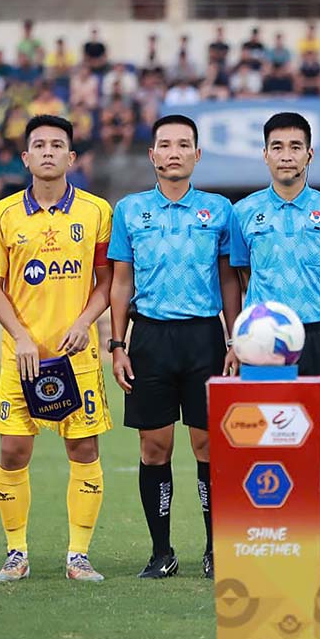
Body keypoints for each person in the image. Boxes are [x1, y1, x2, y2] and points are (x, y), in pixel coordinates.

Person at [0, 115, 113, 583]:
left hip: (77, 355)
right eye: (40, 145)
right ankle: (16, 553)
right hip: (22, 356)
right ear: (26, 157)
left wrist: (85, 322)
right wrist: (20, 335)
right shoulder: (3, 214)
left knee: (84, 448)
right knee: (13, 451)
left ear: (71, 158)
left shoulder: (96, 212)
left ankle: (79, 556)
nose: (49, 151)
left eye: (58, 145)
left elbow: (107, 281)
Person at [108, 115, 241, 580]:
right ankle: (161, 551)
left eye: (184, 145)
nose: (174, 152)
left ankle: (215, 548)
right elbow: (120, 282)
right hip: (150, 338)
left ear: (197, 155)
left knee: (209, 445)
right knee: (154, 447)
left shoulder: (219, 210)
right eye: (165, 145)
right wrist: (117, 344)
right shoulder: (129, 210)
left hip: (204, 338)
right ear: (152, 155)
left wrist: (233, 338)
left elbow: (229, 279)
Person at [229, 112, 320, 581]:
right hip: (264, 348)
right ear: (265, 155)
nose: (286, 156)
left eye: (295, 147)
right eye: (277, 147)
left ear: (309, 154)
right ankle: (272, 548)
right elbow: (241, 274)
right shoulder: (244, 213)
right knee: (263, 446)